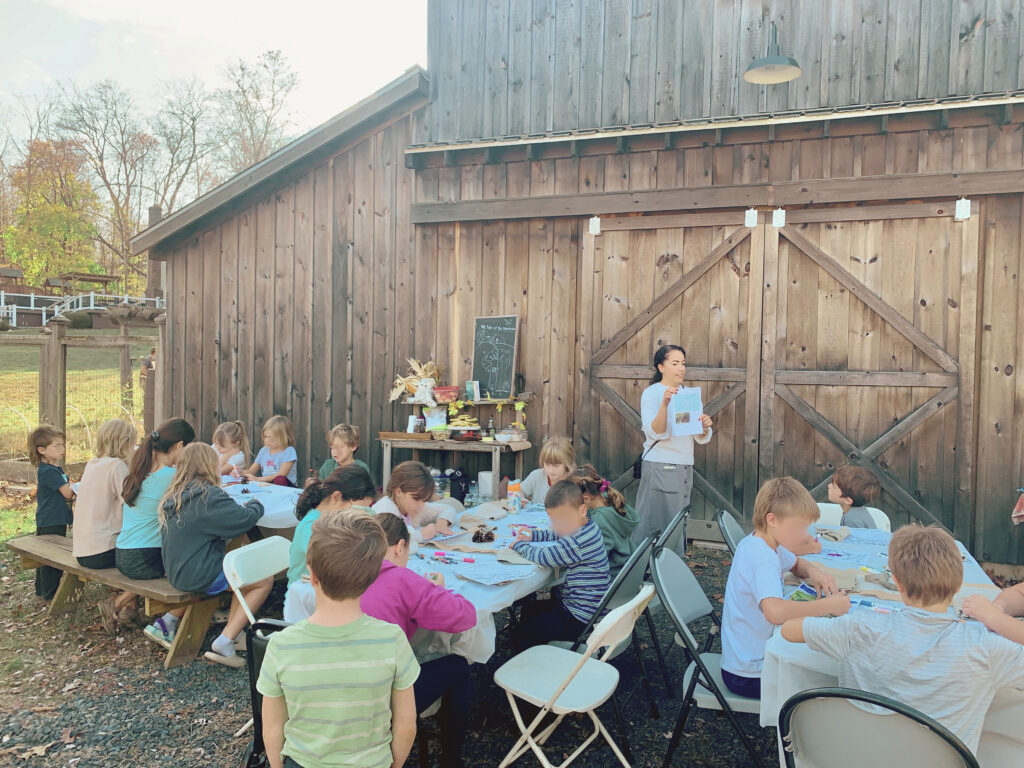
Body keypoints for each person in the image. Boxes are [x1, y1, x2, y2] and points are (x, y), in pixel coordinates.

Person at [782, 525, 1024, 755]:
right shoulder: (987, 648)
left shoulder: (859, 626)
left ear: (895, 582)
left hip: (860, 757)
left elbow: (788, 630)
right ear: (959, 584)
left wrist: (827, 606)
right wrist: (995, 618)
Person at [258, 511, 419, 768]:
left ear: (311, 574)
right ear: (372, 576)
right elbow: (405, 724)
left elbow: (272, 729)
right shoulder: (392, 640)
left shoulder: (280, 645)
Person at [363, 513, 476, 768]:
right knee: (457, 666)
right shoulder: (402, 579)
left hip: (343, 688)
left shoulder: (346, 571)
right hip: (380, 702)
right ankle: (451, 760)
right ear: (401, 546)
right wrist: (440, 589)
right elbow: (464, 616)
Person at [720, 477, 847, 700]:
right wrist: (827, 605)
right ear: (773, 520)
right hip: (751, 674)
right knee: (835, 675)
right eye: (799, 527)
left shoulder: (763, 541)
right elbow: (775, 612)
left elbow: (796, 564)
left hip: (746, 661)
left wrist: (816, 573)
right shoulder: (763, 559)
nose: (805, 535)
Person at [159, 443, 272, 668]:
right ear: (210, 465)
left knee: (239, 566)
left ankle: (234, 631)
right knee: (263, 580)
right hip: (197, 573)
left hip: (176, 569)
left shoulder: (178, 492)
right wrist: (255, 503)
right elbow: (244, 519)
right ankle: (225, 641)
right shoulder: (207, 496)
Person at [510, 479, 611, 650]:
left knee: (527, 630)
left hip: (579, 616)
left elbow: (544, 556)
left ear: (582, 510)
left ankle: (529, 664)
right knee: (530, 610)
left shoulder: (575, 542)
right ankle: (532, 649)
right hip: (589, 606)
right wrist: (535, 536)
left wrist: (520, 545)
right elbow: (558, 532)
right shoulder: (587, 526)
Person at [632, 345, 713, 553]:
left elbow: (695, 435)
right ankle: (642, 570)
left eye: (683, 363)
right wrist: (665, 404)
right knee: (651, 521)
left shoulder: (688, 394)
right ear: (661, 367)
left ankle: (669, 569)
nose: (681, 368)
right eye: (675, 363)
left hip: (684, 467)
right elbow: (654, 433)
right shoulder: (652, 393)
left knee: (676, 521)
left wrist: (704, 426)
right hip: (660, 465)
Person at [283, 465, 377, 623]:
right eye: (357, 509)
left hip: (332, 594)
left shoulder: (337, 517)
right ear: (336, 498)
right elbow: (337, 567)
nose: (361, 515)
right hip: (306, 604)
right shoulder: (311, 528)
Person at [73, 418, 139, 630]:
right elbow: (133, 503)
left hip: (83, 548)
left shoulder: (92, 464)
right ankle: (117, 604)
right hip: (102, 548)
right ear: (124, 443)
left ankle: (129, 609)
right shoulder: (117, 466)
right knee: (149, 560)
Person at [28, 425, 75, 601]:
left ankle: (42, 591)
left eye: (63, 444)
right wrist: (81, 486)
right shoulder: (48, 471)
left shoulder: (55, 469)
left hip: (54, 518)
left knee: (46, 555)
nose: (62, 449)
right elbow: (68, 493)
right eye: (57, 445)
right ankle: (50, 593)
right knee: (51, 559)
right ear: (42, 450)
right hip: (51, 520)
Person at [571, 464, 638, 574]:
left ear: (586, 499)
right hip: (625, 567)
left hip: (611, 576)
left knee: (559, 588)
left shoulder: (599, 521)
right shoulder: (610, 500)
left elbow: (595, 556)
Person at [372, 460, 456, 544]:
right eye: (416, 498)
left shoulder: (414, 507)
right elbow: (389, 542)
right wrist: (420, 535)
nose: (421, 505)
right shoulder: (385, 511)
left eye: (424, 500)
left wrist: (442, 522)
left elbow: (448, 509)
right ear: (398, 492)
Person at [243, 415, 298, 486]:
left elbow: (281, 474)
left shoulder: (289, 451)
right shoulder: (263, 451)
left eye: (270, 437)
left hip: (286, 487)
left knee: (280, 478)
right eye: (265, 436)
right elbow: (251, 471)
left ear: (283, 437)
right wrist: (240, 472)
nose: (266, 440)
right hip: (267, 485)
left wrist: (258, 479)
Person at [520, 435, 574, 505]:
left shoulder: (574, 482)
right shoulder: (536, 476)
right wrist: (518, 497)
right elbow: (518, 491)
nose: (551, 470)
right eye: (547, 464)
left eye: (556, 466)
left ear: (567, 463)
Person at [829, 464, 882, 528]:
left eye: (834, 487)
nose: (829, 486)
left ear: (848, 500)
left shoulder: (852, 521)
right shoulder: (858, 512)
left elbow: (853, 538)